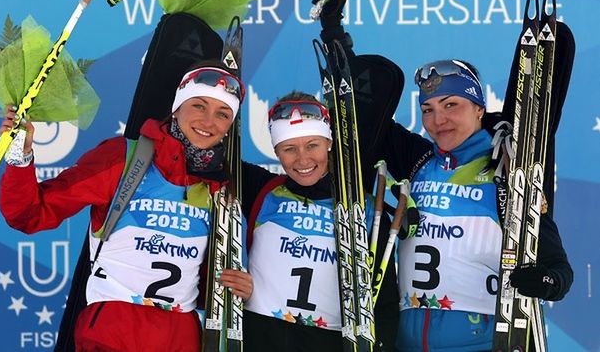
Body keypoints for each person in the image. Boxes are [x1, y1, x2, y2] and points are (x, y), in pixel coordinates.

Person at [0, 61, 253, 352]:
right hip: (114, 331)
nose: (209, 122)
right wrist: (20, 156)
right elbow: (29, 214)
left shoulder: (222, 190)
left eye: (223, 114)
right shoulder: (122, 158)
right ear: (177, 106)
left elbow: (219, 282)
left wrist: (241, 287)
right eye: (199, 105)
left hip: (181, 337)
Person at [372, 59, 574, 351]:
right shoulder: (418, 159)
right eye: (428, 110)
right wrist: (334, 33)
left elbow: (559, 269)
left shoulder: (507, 170)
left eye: (451, 105)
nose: (438, 121)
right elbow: (359, 112)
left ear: (479, 108)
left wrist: (546, 281)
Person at [240, 91, 400, 351]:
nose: (302, 159)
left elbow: (385, 303)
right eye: (289, 148)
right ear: (276, 151)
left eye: (312, 145)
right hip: (261, 339)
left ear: (329, 142)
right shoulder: (261, 189)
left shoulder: (364, 209)